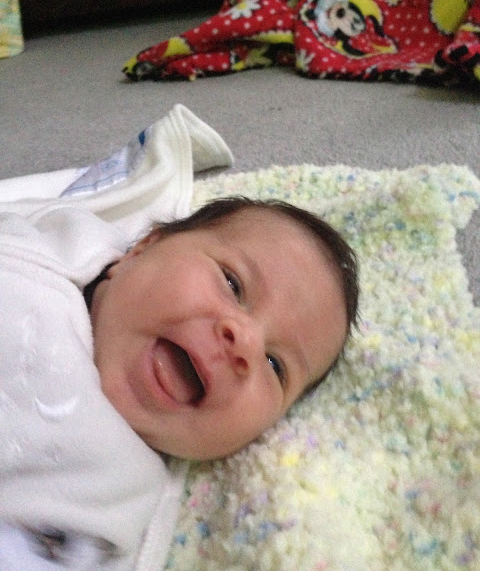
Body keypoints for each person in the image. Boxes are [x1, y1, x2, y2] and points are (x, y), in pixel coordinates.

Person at [0, 196, 358, 570]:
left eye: (275, 365)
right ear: (143, 247)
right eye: (233, 284)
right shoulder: (48, 252)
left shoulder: (116, 493)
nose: (247, 342)